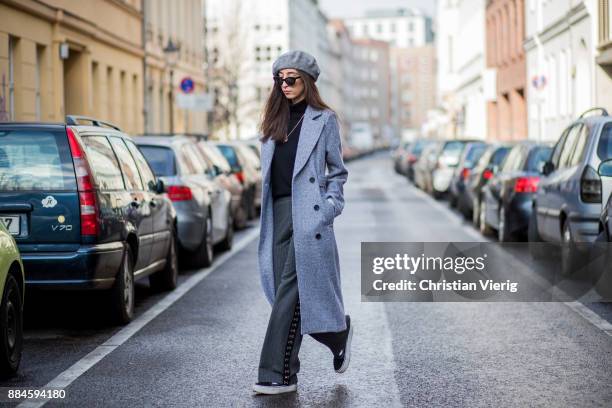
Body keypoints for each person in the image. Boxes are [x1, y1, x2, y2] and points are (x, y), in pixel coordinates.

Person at [253, 50, 352, 395]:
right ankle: (336, 332)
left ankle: (275, 373)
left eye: (291, 79)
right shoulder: (272, 121)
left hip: (308, 215)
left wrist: (327, 208)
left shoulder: (323, 120)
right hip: (278, 213)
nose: (285, 85)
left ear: (306, 82)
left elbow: (337, 172)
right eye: (280, 79)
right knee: (286, 292)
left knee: (291, 289)